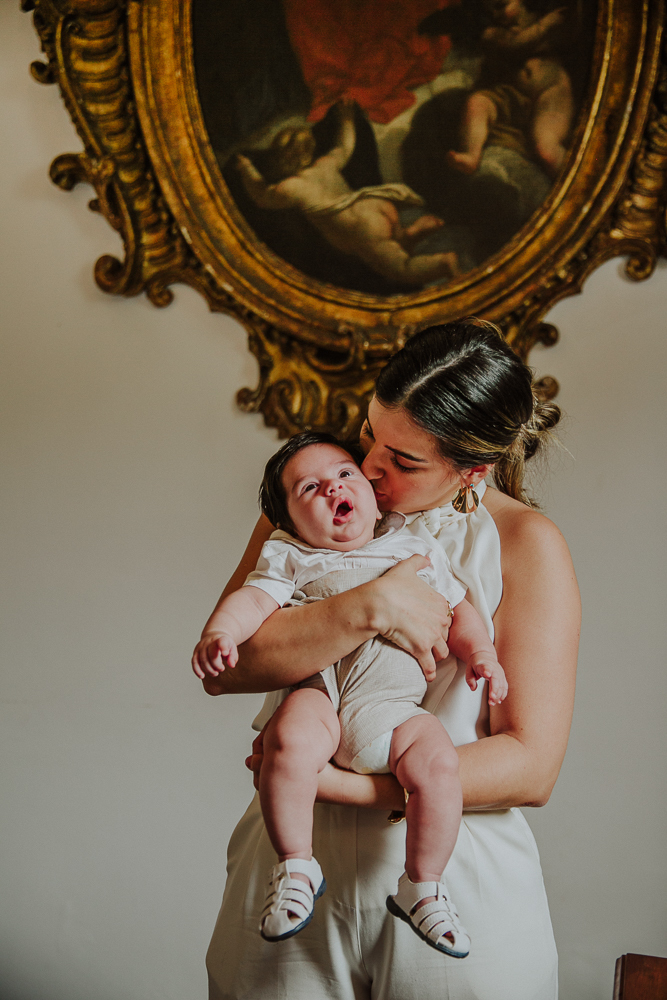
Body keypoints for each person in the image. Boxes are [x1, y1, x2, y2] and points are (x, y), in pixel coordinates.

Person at [201, 319, 580, 1000]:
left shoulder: (526, 543)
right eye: (370, 433)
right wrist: (370, 606)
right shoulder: (312, 503)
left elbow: (531, 764)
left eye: (403, 461)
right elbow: (228, 666)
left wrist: (340, 786)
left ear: (471, 470)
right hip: (290, 864)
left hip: (458, 874)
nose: (371, 466)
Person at [193, 433, 507, 954]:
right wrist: (220, 632)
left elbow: (458, 611)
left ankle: (423, 885)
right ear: (290, 521)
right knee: (288, 741)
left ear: (372, 497)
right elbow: (252, 600)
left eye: (344, 474)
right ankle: (296, 866)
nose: (333, 488)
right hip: (321, 694)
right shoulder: (291, 554)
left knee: (438, 762)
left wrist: (481, 654)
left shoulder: (413, 546)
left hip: (392, 708)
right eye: (309, 488)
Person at [235, 99, 460, 285]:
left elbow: (261, 197)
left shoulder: (292, 187)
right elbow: (345, 147)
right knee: (392, 241)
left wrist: (247, 169)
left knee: (402, 269)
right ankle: (409, 234)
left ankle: (443, 263)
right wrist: (347, 120)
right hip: (375, 205)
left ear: (279, 158)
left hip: (362, 228)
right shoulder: (325, 164)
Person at [446, 1, 573, 178]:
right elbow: (515, 46)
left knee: (546, 150)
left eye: (500, 6)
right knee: (476, 103)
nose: (495, 14)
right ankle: (471, 155)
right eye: (489, 10)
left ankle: (579, 180)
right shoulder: (492, 33)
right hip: (507, 95)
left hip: (550, 91)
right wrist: (545, 25)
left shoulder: (542, 17)